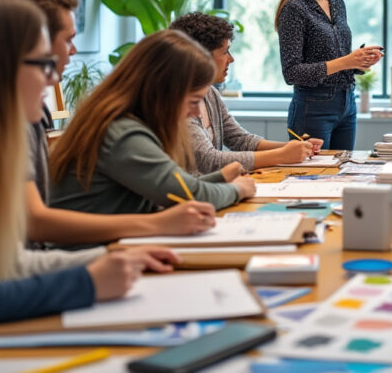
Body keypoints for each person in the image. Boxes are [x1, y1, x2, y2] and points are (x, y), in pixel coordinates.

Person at [0, 0, 177, 370]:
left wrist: (109, 257)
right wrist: (88, 283)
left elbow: (6, 263)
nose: (55, 75)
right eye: (43, 63)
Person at [2, 0, 216, 246]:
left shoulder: (27, 114)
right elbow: (36, 225)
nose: (74, 50)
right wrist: (155, 225)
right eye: (68, 39)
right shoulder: (120, 131)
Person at [49, 30, 256, 230]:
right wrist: (237, 190)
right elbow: (189, 194)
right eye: (193, 101)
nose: (195, 113)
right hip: (92, 252)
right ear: (163, 92)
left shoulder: (122, 121)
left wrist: (220, 178)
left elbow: (172, 188)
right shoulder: (123, 133)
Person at [170, 12, 321, 172]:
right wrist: (281, 155)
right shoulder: (176, 102)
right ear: (200, 56)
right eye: (225, 52)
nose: (231, 59)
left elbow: (240, 140)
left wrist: (292, 148)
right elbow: (209, 160)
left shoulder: (210, 93)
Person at [276, 0, 383, 150]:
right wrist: (347, 61)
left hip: (347, 103)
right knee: (311, 178)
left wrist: (359, 62)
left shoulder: (337, 4)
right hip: (312, 107)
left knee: (342, 173)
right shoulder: (294, 9)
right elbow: (292, 72)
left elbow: (336, 62)